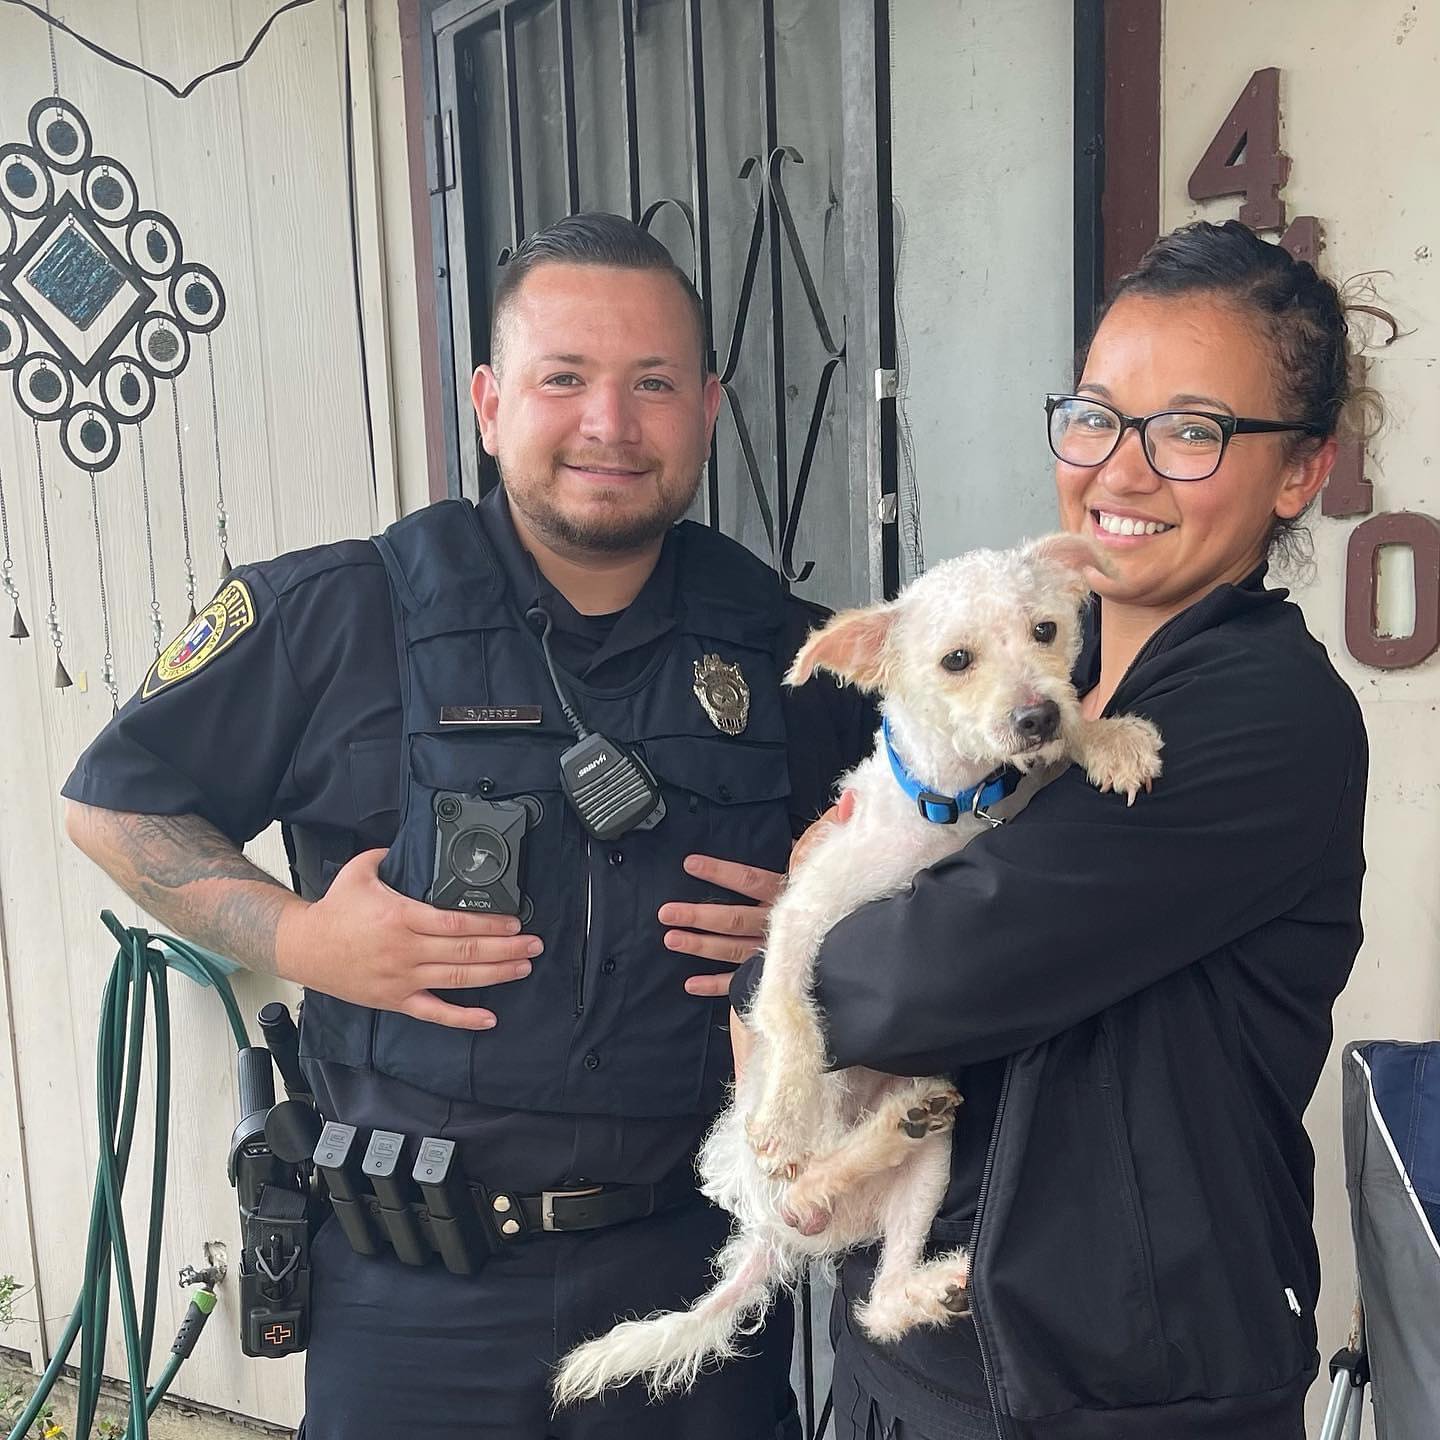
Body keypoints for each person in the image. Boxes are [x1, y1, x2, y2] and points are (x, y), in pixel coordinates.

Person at [61, 213, 874, 1439]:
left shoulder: (790, 650)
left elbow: (942, 853)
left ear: (708, 407)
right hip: (414, 1299)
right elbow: (113, 802)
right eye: (566, 379)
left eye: (653, 382)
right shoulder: (338, 614)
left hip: (697, 1281)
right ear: (491, 402)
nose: (610, 422)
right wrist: (297, 937)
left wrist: (822, 921)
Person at [733, 219, 1372, 1440]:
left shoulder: (1257, 716)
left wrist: (779, 970)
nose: (1121, 472)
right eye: (1096, 416)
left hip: (1124, 1394)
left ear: (1299, 473)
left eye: (1193, 431)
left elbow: (935, 969)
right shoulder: (1056, 714)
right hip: (927, 1352)